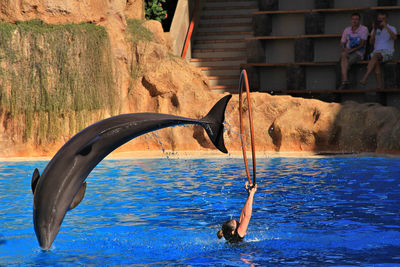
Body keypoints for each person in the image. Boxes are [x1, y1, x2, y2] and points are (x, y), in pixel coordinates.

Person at [360, 11, 397, 89]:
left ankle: (365, 77)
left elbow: (394, 38)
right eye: (379, 19)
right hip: (376, 52)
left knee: (375, 56)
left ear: (386, 18)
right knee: (375, 61)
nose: (381, 21)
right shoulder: (375, 29)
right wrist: (374, 30)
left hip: (387, 52)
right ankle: (379, 86)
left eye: (383, 19)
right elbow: (371, 42)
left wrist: (386, 27)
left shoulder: (391, 28)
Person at [339, 13, 369, 89]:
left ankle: (344, 82)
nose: (354, 21)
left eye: (356, 19)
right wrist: (344, 48)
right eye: (353, 19)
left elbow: (362, 44)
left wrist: (351, 50)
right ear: (351, 20)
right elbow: (342, 43)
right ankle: (345, 80)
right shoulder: (347, 29)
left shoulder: (364, 29)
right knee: (343, 55)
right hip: (348, 52)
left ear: (359, 20)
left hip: (358, 53)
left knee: (344, 65)